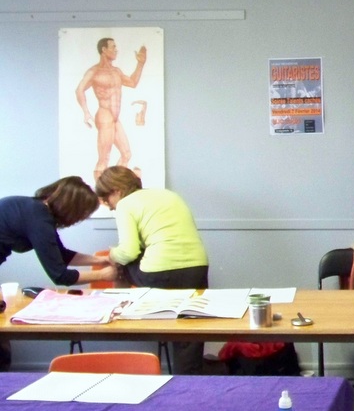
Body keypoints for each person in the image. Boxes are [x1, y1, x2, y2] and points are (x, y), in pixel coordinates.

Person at [95, 166, 209, 374]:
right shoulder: (169, 195)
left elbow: (128, 252)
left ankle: (116, 309)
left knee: (120, 259)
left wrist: (111, 255)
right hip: (197, 267)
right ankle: (190, 384)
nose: (109, 207)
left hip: (159, 273)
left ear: (116, 191)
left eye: (106, 200)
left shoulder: (125, 204)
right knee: (189, 331)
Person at [0, 176, 118, 371]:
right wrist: (104, 275)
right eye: (81, 214)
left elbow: (61, 255)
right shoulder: (38, 217)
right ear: (72, 208)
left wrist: (100, 260)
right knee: (2, 349)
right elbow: (60, 275)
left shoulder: (36, 210)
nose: (78, 220)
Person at [75, 37, 147, 181]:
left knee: (126, 154)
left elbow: (132, 83)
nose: (116, 50)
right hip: (104, 115)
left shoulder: (116, 71)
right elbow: (79, 90)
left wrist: (140, 63)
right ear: (104, 49)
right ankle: (101, 195)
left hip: (115, 118)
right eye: (113, 47)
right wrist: (86, 112)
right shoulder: (94, 71)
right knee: (104, 158)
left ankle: (115, 186)